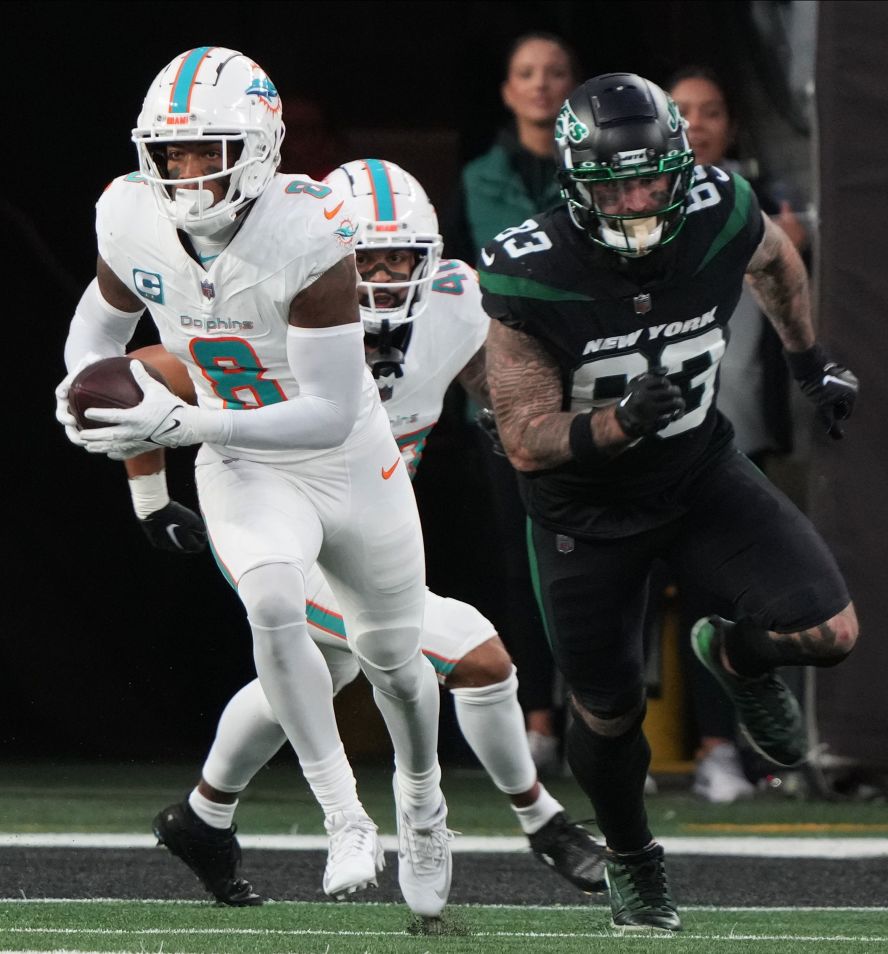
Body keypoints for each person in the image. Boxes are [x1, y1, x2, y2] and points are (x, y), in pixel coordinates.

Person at [122, 158, 607, 905]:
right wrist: (152, 497)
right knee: (478, 658)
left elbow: (512, 403)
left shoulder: (456, 306)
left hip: (368, 525)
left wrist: (537, 430)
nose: (378, 278)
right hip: (281, 515)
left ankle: (203, 816)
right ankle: (542, 822)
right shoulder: (276, 304)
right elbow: (141, 374)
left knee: (333, 666)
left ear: (430, 262)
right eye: (362, 260)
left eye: (397, 260)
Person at [53, 48, 450, 920]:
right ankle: (345, 815)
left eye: (208, 151)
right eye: (173, 153)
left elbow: (331, 412)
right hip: (243, 463)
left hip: (347, 460)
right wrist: (81, 392)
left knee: (391, 659)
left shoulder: (310, 233)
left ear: (263, 145)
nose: (187, 174)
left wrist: (190, 424)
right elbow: (98, 329)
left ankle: (421, 801)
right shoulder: (129, 214)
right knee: (271, 600)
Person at [479, 72, 859, 933]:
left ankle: (738, 656)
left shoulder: (721, 206)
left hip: (694, 473)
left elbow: (773, 256)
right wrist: (613, 425)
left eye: (653, 178)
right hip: (584, 514)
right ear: (575, 185)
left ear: (681, 165)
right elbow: (524, 436)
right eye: (615, 183)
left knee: (831, 632)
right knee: (609, 712)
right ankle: (634, 862)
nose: (640, 199)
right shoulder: (529, 269)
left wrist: (808, 361)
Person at [665, 66, 808, 803]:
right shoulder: (634, 208)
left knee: (751, 596)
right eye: (680, 111)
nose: (695, 124)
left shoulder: (755, 202)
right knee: (687, 597)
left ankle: (756, 754)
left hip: (742, 428)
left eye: (710, 110)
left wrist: (796, 240)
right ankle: (713, 748)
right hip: (655, 436)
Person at [444, 32, 580, 775]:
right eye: (526, 73)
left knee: (593, 564)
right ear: (507, 90)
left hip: (590, 396)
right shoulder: (476, 180)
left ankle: (595, 718)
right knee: (519, 562)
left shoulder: (600, 177)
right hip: (498, 405)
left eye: (555, 73)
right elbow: (450, 289)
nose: (541, 85)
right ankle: (535, 720)